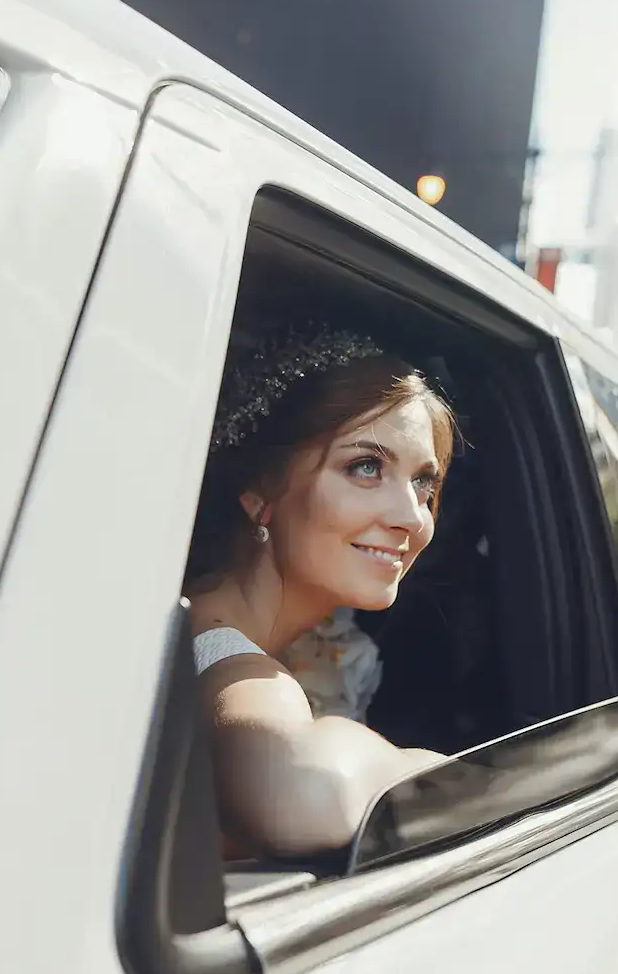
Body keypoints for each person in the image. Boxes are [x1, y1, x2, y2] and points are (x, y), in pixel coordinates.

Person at [185, 324, 456, 858]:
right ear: (261, 492)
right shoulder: (224, 658)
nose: (412, 517)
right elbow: (301, 792)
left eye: (424, 482)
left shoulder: (241, 617)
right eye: (365, 467)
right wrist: (457, 776)